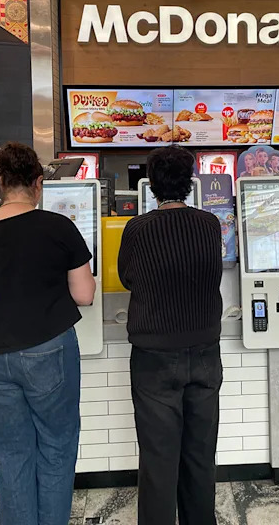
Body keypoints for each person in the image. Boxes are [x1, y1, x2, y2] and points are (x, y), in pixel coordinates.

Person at [0, 142, 96, 525]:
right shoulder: (57, 227)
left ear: (0, 184)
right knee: (57, 450)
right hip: (48, 352)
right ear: (38, 183)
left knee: (12, 457)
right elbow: (84, 294)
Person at [117, 145, 223, 525]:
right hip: (206, 353)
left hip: (154, 357)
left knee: (159, 458)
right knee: (199, 454)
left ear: (152, 186)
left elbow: (127, 278)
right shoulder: (210, 224)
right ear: (190, 183)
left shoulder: (138, 228)